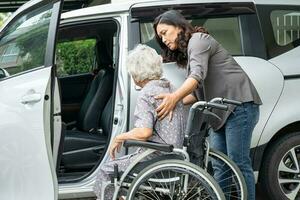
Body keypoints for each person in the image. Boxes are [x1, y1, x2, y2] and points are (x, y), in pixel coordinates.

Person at [153, 10, 261, 200]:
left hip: (239, 106)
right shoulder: (190, 50)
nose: (163, 39)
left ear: (178, 26)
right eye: (159, 36)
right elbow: (195, 93)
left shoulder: (198, 40)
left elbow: (196, 77)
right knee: (219, 165)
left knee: (238, 162)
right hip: (220, 112)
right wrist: (169, 104)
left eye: (164, 32)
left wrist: (174, 98)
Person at [93, 44, 185, 200]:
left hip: (157, 157)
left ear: (137, 74)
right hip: (175, 155)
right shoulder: (169, 87)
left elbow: (144, 132)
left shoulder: (147, 94)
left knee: (106, 170)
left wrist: (119, 137)